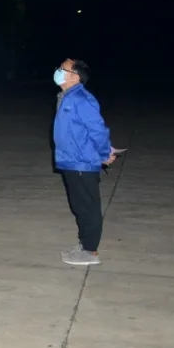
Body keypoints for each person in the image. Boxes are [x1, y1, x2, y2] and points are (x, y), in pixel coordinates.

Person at [52, 58, 117, 266]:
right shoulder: (67, 97)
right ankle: (84, 245)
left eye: (62, 69)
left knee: (87, 207)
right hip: (71, 161)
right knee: (79, 206)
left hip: (82, 162)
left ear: (74, 77)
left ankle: (90, 251)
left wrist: (105, 153)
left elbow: (98, 130)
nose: (58, 71)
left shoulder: (81, 99)